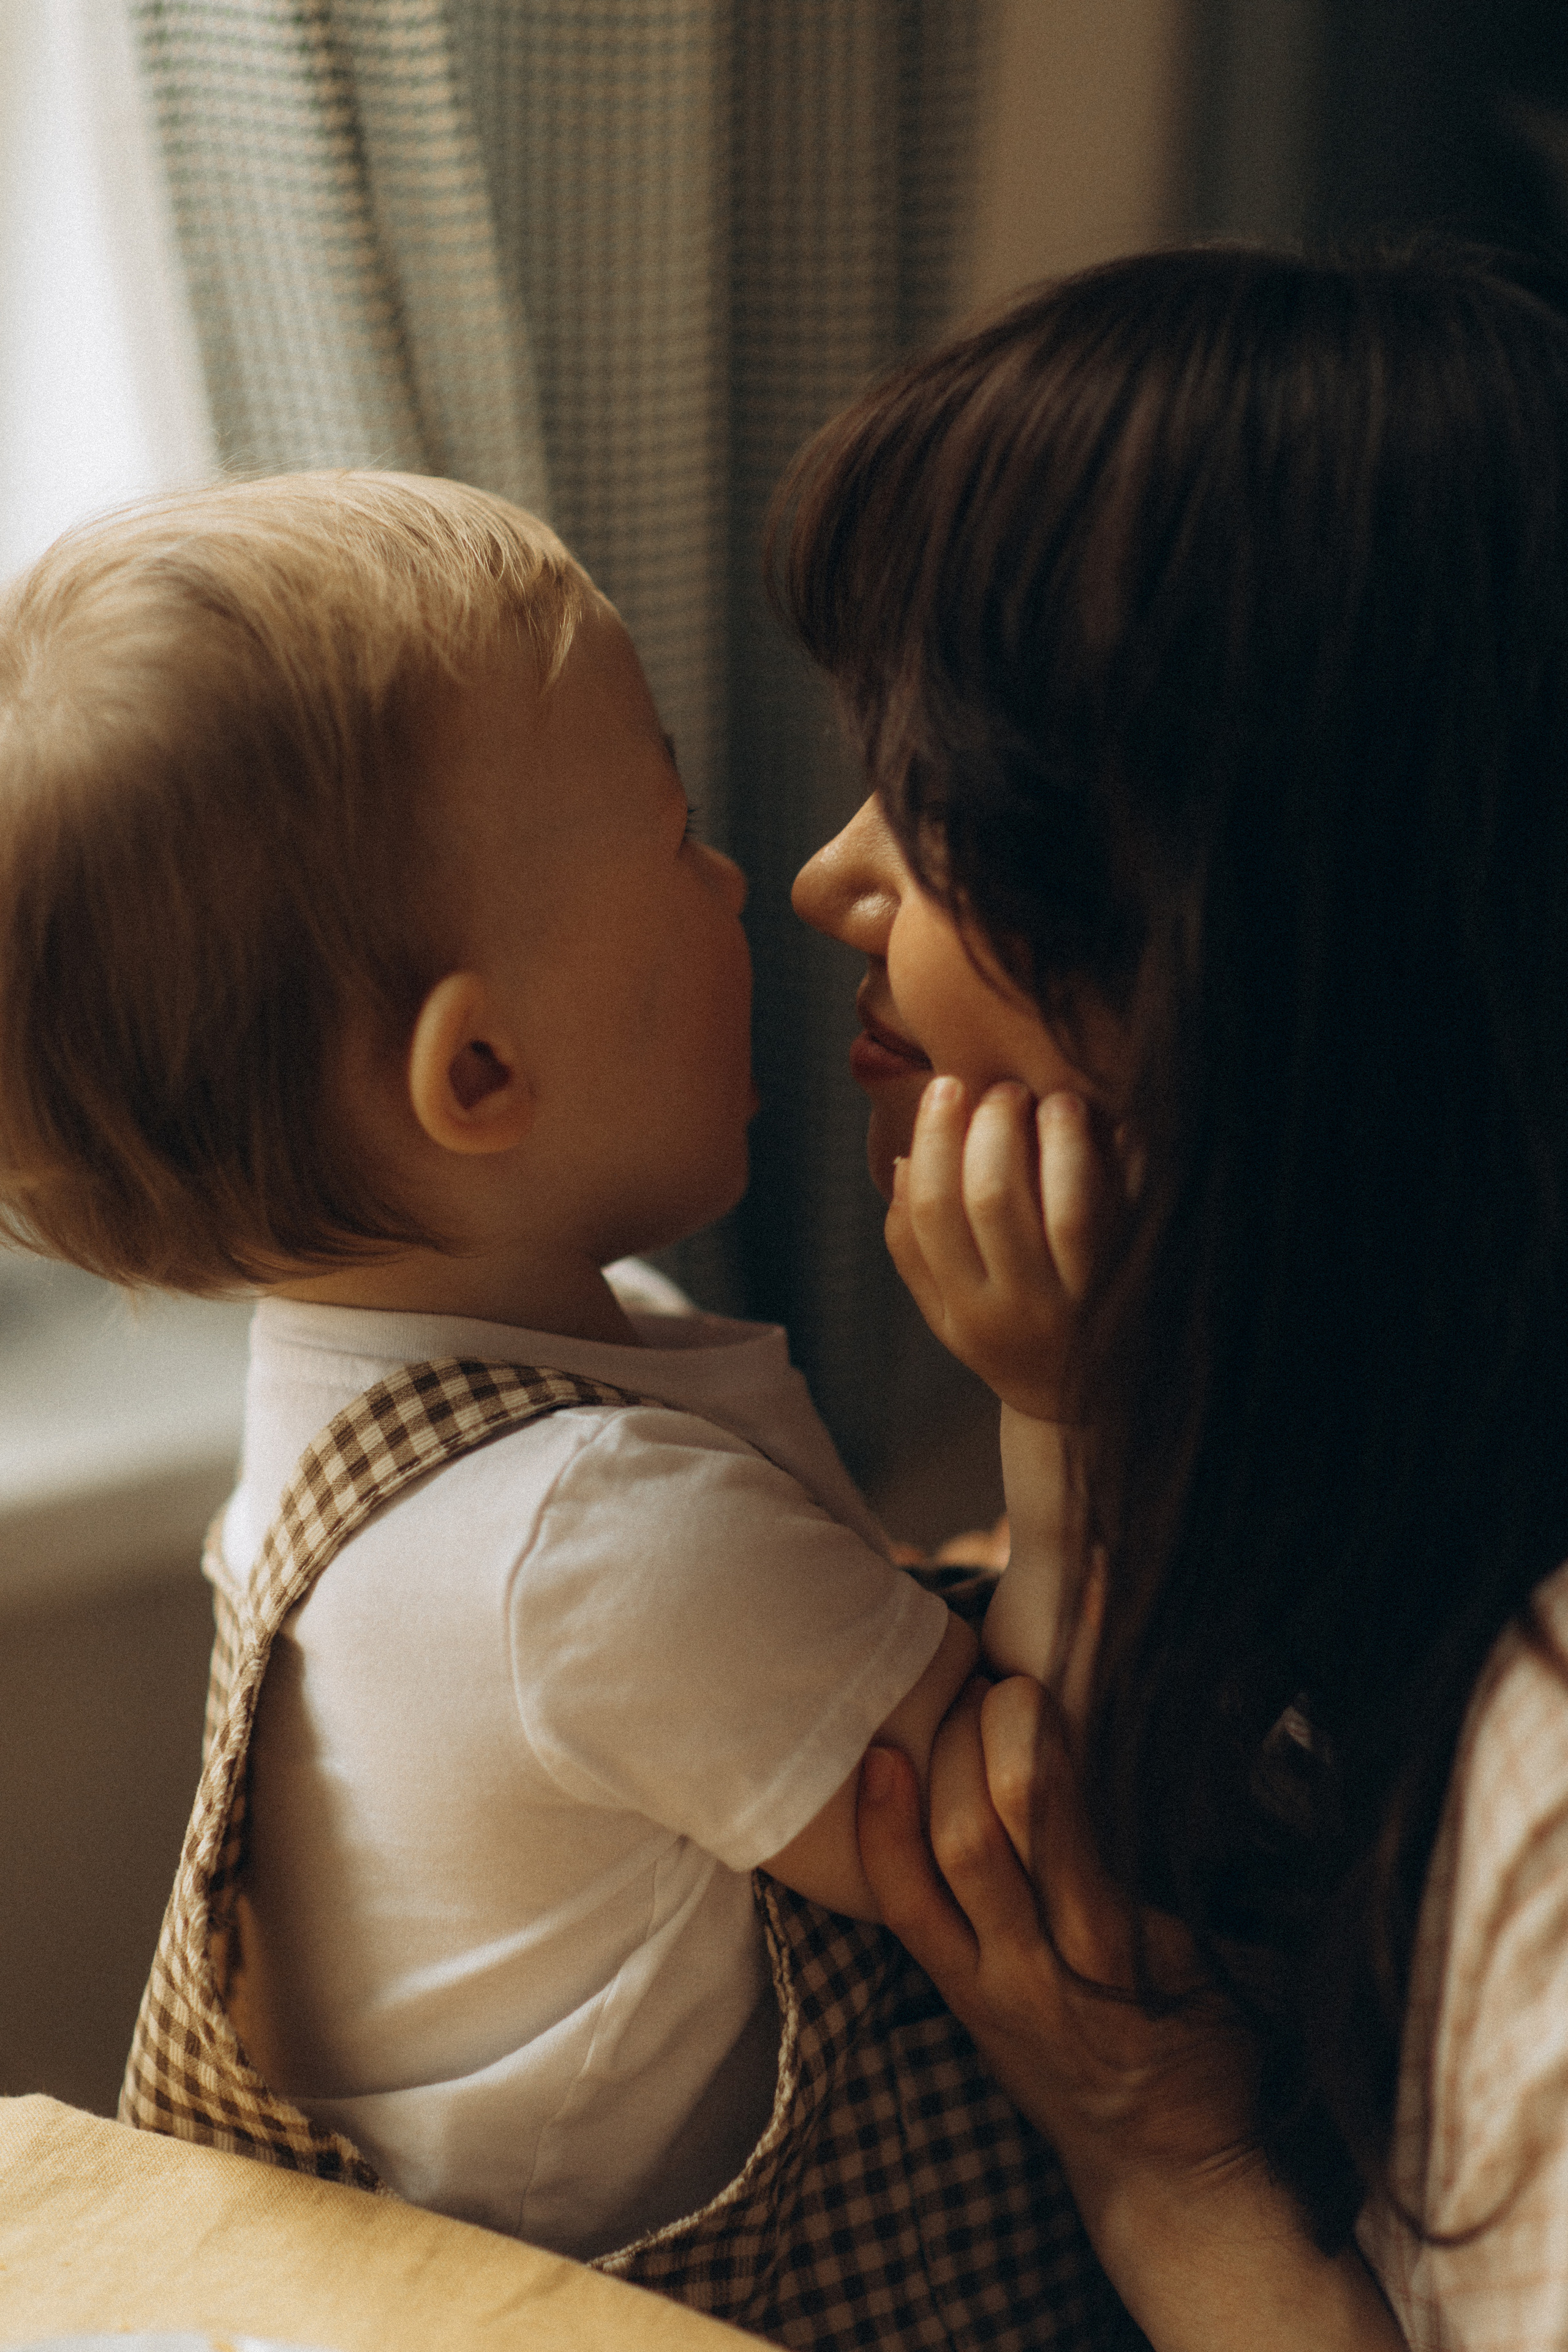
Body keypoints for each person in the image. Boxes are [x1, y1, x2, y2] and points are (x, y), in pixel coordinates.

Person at [0, 471, 1113, 2351]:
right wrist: (1059, 1413)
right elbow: (1027, 1861)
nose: (750, 881)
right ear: (482, 1068)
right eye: (675, 835)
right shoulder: (601, 1538)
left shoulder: (371, 1403)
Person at [782, 242, 1568, 2351]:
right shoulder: (1385, 1443)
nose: (826, 879)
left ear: (1216, 941)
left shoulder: (1547, 1761)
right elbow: (1148, 1810)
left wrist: (1163, 2163)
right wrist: (1079, 1424)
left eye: (929, 801)